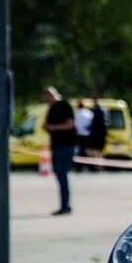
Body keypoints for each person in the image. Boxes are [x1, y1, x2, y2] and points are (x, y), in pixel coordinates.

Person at [43, 86, 76, 214]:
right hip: (56, 146)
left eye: (46, 97)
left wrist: (53, 127)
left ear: (52, 95)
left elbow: (70, 125)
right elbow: (47, 125)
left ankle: (65, 206)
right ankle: (64, 205)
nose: (45, 100)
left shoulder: (64, 106)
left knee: (62, 174)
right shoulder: (51, 109)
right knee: (58, 174)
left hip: (66, 145)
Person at [87, 96, 108, 170]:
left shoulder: (98, 110)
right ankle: (99, 165)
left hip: (98, 134)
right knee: (97, 150)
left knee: (97, 150)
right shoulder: (101, 110)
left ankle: (99, 165)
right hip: (99, 133)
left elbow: (97, 123)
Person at [73, 100, 93, 171]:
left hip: (80, 135)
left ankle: (80, 166)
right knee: (88, 150)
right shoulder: (89, 113)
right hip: (88, 135)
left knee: (80, 151)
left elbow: (75, 124)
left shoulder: (77, 113)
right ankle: (88, 166)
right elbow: (92, 123)